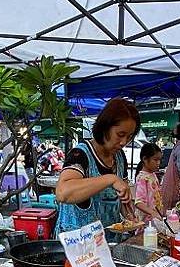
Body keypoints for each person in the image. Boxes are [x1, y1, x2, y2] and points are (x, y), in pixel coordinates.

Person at [55, 97, 140, 233]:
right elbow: (63, 193)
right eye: (120, 134)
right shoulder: (80, 154)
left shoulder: (119, 157)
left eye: (129, 137)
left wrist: (129, 215)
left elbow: (121, 198)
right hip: (77, 245)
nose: (124, 142)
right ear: (105, 127)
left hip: (107, 243)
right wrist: (110, 179)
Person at [134, 142, 164, 223]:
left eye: (159, 160)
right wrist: (153, 213)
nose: (158, 163)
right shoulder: (142, 178)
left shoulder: (153, 175)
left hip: (155, 220)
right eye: (155, 160)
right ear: (145, 159)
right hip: (146, 223)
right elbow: (138, 203)